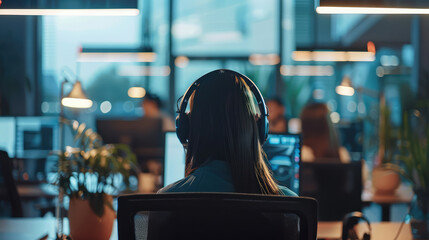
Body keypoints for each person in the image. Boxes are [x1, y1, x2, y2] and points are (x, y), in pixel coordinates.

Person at [159, 69, 296, 196]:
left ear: (187, 129)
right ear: (258, 129)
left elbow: (140, 223)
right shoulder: (290, 204)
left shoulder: (166, 200)